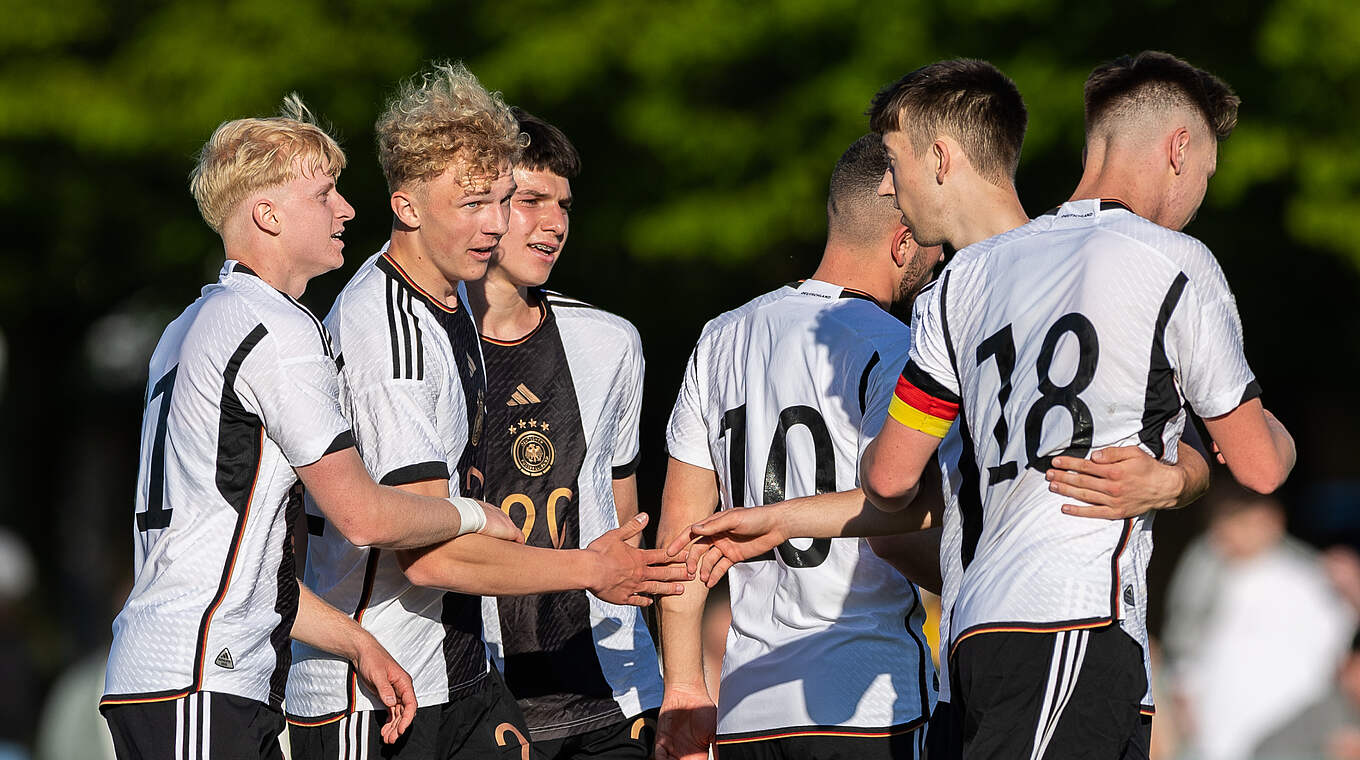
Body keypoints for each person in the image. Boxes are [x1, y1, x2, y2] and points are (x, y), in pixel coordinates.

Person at [860, 53, 1296, 758]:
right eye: (1207, 175)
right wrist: (1253, 416)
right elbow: (1261, 464)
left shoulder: (967, 275)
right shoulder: (1173, 260)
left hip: (975, 636)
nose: (1199, 197)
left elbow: (887, 480)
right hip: (1071, 619)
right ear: (1180, 149)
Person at [101, 95, 523, 760]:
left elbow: (235, 561)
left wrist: (357, 641)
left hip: (180, 675)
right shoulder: (278, 328)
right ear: (266, 215)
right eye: (324, 194)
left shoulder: (189, 325)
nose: (347, 209)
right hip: (203, 677)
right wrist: (474, 516)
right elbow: (362, 516)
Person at [286, 64, 685, 760]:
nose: (498, 224)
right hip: (378, 695)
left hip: (455, 675)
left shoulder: (448, 301)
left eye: (503, 200)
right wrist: (586, 568)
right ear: (408, 207)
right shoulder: (394, 334)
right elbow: (427, 559)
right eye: (476, 203)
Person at [656, 134, 946, 760]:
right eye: (933, 240)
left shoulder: (720, 337)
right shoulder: (898, 347)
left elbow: (682, 533)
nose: (940, 253)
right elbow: (898, 518)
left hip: (747, 706)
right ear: (902, 239)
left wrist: (682, 688)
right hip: (864, 697)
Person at [465, 108, 665, 760]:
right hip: (475, 698)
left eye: (564, 205)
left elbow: (627, 517)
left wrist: (675, 679)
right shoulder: (419, 351)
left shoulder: (610, 343)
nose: (554, 224)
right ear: (479, 206)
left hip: (609, 695)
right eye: (530, 202)